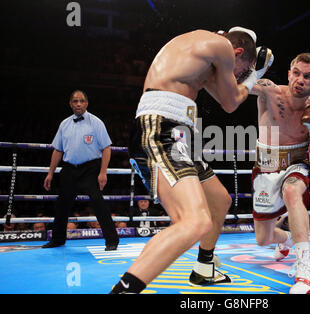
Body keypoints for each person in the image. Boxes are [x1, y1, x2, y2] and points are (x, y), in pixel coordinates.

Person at [110, 27, 273, 294]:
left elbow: (227, 97)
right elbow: (233, 102)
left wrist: (255, 77)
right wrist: (255, 74)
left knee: (219, 200)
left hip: (179, 133)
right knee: (194, 221)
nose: (237, 75)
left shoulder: (202, 52)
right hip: (161, 127)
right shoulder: (219, 46)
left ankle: (204, 268)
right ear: (238, 52)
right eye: (240, 68)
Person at [249, 52, 310, 294]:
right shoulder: (269, 91)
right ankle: (287, 238)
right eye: (296, 73)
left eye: (308, 76)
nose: (300, 79)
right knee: (263, 239)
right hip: (266, 163)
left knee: (292, 191)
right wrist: (249, 69)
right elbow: (234, 88)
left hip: (297, 160)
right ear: (288, 73)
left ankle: (304, 270)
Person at [42, 90, 119, 251]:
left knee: (98, 203)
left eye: (81, 101)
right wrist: (50, 173)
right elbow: (58, 150)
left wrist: (103, 172)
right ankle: (57, 239)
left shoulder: (96, 122)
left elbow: (106, 148)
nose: (78, 104)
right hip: (69, 169)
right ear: (70, 104)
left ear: (86, 103)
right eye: (75, 101)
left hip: (90, 169)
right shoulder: (64, 124)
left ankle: (112, 240)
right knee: (62, 204)